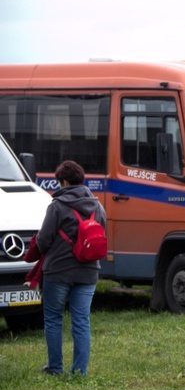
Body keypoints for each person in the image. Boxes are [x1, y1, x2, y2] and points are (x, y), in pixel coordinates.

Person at [35, 160, 106, 376]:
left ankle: (55, 368)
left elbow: (43, 241)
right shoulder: (98, 206)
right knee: (81, 320)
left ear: (64, 181)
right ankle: (79, 371)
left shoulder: (57, 206)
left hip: (58, 271)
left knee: (54, 318)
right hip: (88, 271)